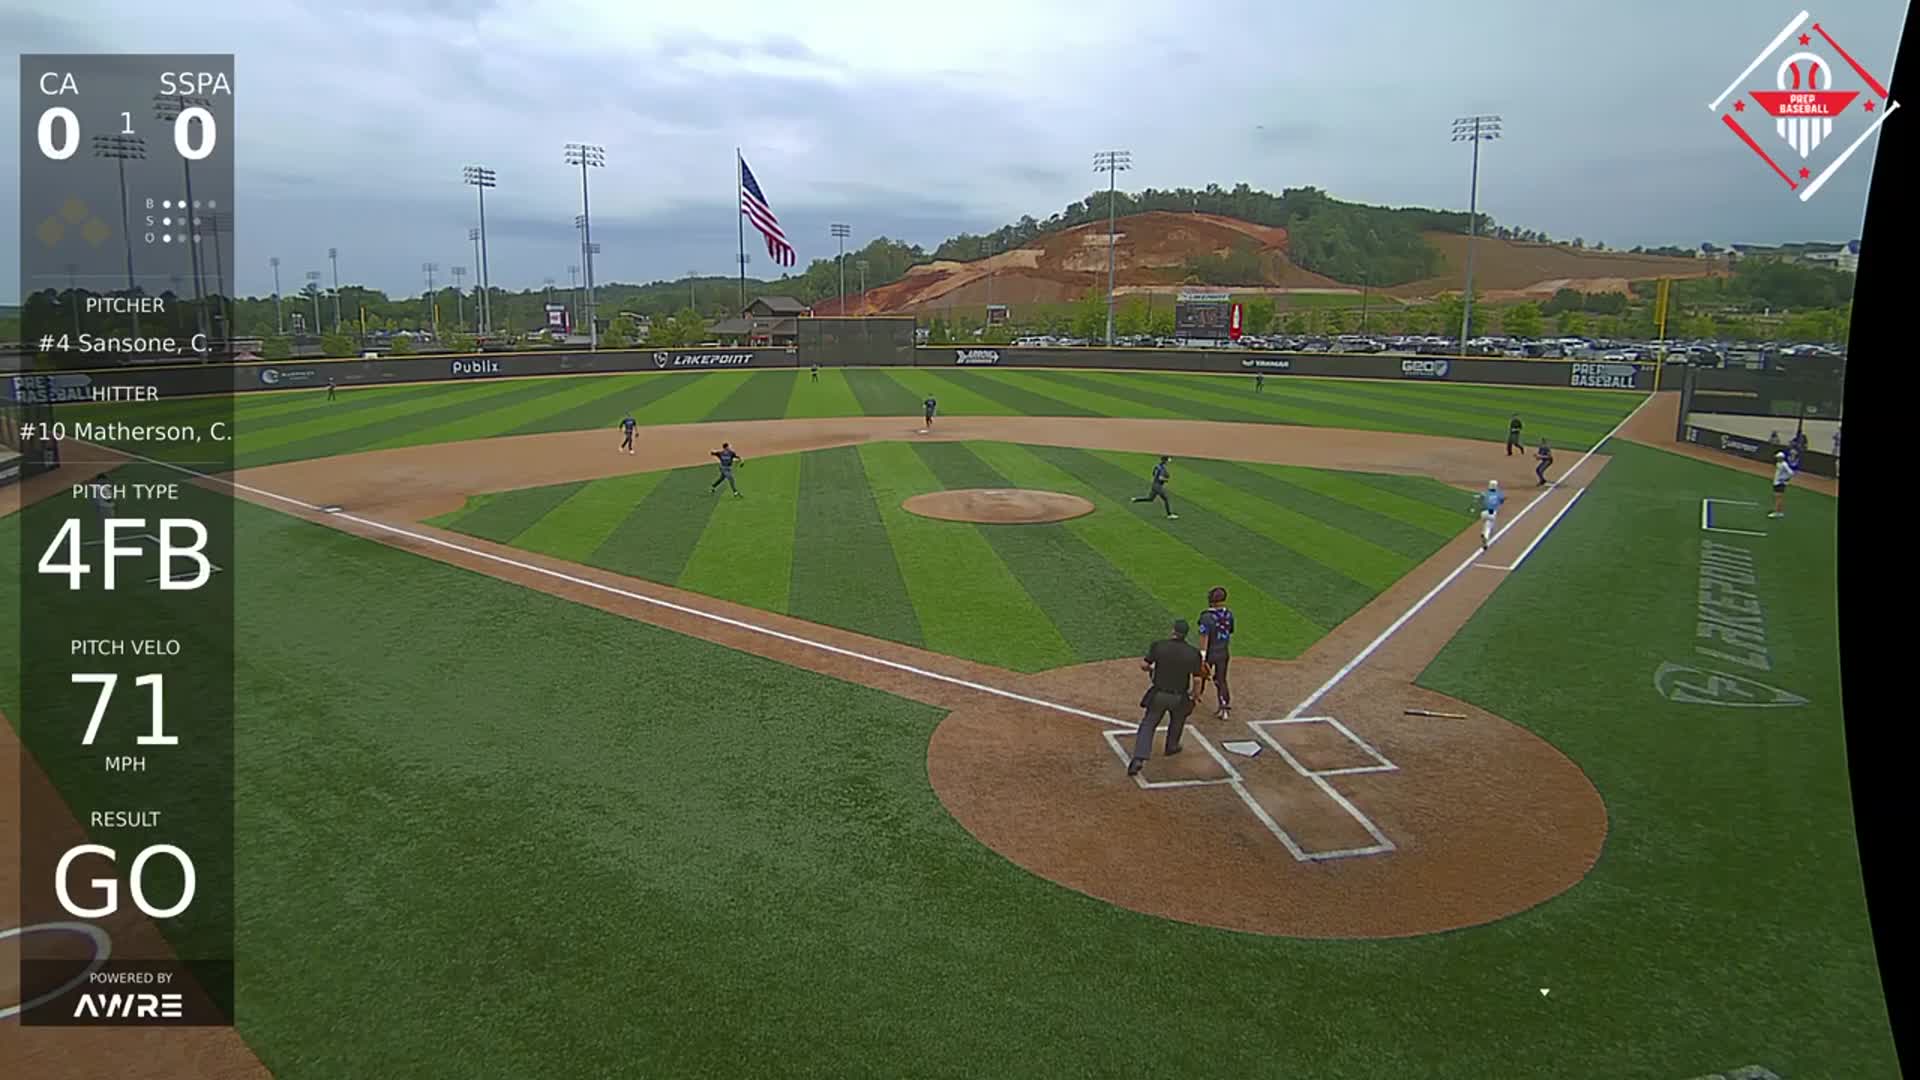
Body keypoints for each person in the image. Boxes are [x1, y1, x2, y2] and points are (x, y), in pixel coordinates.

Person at [1127, 618, 1205, 777]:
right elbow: (1197, 679)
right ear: (1186, 634)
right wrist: (1195, 695)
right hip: (1179, 697)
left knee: (1148, 723)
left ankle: (1138, 759)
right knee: (1178, 719)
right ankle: (1172, 746)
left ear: (1173, 631)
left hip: (1159, 694)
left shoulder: (1159, 646)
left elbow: (1144, 665)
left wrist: (1150, 668)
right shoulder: (1193, 653)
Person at [1198, 587, 1235, 719]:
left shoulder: (1206, 617)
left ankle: (1195, 697)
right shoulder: (1229, 614)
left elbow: (1204, 637)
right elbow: (1230, 631)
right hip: (1223, 652)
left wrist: (1202, 656)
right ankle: (1224, 707)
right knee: (1221, 680)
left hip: (1210, 653)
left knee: (1199, 674)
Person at [1477, 479, 1505, 551]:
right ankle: (1485, 537)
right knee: (1489, 527)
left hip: (1483, 512)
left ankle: (1483, 533)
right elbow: (1501, 501)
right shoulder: (1499, 494)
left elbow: (1481, 499)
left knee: (1485, 523)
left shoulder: (1485, 493)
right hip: (1492, 513)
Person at [1769, 450, 1792, 518]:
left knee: (1778, 498)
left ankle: (1777, 512)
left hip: (1780, 483)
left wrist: (1784, 479)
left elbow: (1791, 473)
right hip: (1776, 482)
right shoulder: (1778, 463)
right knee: (1777, 497)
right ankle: (1779, 511)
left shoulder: (1784, 464)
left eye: (1778, 457)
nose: (1777, 458)